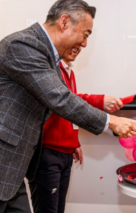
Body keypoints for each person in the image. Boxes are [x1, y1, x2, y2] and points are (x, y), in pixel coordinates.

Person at [0, 0, 136, 213]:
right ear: (64, 22)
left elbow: (59, 102)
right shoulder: (23, 45)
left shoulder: (47, 60)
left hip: (11, 168)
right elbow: (61, 99)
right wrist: (109, 121)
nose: (85, 43)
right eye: (85, 35)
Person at [29, 45, 123, 213]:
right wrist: (99, 101)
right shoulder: (50, 68)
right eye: (79, 38)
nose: (82, 45)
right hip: (47, 153)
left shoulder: (68, 71)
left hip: (63, 152)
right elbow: (67, 100)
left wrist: (73, 141)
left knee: (58, 209)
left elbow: (68, 111)